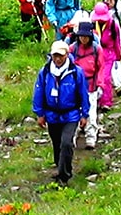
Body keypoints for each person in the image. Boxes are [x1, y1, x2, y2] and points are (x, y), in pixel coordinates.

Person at [32, 40, 90, 185]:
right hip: (52, 115)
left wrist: (84, 114)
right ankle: (61, 167)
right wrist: (40, 114)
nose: (57, 59)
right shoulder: (45, 72)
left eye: (61, 56)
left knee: (66, 143)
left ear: (67, 55)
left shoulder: (76, 72)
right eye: (55, 56)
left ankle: (64, 176)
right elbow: (39, 92)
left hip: (71, 114)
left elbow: (83, 93)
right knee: (56, 143)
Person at [66, 16, 106, 143]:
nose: (83, 39)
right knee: (73, 113)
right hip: (75, 86)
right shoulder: (72, 49)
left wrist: (100, 84)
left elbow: (101, 67)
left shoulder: (96, 49)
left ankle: (91, 137)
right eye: (81, 36)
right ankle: (72, 137)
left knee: (91, 113)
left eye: (86, 36)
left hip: (91, 85)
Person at [92, 1, 121, 105]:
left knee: (106, 77)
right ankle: (97, 99)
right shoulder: (93, 25)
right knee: (96, 78)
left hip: (108, 54)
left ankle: (106, 102)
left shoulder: (113, 25)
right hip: (96, 54)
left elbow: (117, 42)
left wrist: (118, 55)